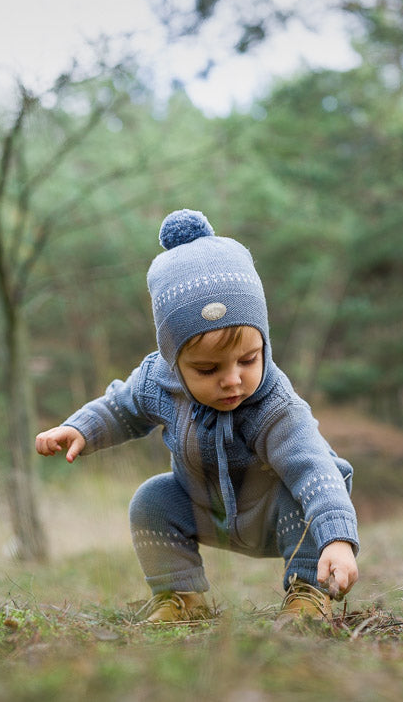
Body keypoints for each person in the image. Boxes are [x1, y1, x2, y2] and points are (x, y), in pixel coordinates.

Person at [35, 209, 359, 623]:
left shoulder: (277, 407)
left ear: (264, 344)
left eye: (248, 360)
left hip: (275, 516)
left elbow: (315, 467)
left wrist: (337, 539)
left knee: (306, 489)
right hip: (204, 508)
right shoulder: (159, 382)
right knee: (151, 501)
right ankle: (182, 597)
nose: (232, 380)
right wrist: (80, 427)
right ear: (174, 361)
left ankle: (308, 594)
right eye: (208, 369)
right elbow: (120, 407)